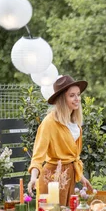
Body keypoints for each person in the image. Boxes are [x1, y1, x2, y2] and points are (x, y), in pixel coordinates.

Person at [27, 75, 93, 203]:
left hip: (69, 177)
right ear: (63, 99)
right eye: (72, 95)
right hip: (52, 179)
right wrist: (33, 178)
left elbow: (71, 157)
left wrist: (82, 177)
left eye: (78, 94)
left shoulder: (75, 122)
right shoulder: (49, 123)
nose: (77, 99)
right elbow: (37, 157)